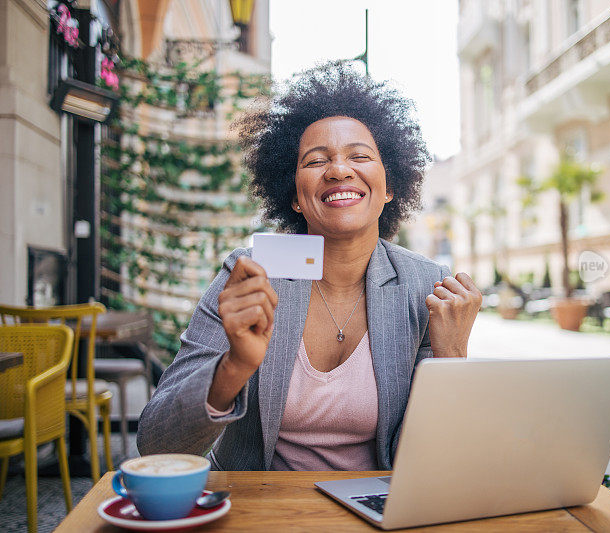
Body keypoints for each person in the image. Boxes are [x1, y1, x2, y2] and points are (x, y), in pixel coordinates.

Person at [137, 63, 482, 471]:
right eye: (316, 161)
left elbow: (439, 463)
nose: (338, 170)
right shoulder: (250, 274)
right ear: (295, 196)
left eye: (359, 156)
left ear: (390, 187)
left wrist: (452, 357)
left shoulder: (425, 288)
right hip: (260, 508)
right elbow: (157, 444)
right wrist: (235, 366)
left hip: (379, 506)